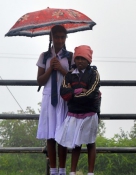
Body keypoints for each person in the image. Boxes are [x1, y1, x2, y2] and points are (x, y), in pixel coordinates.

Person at [55, 45, 101, 175]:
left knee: (90, 142)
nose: (80, 61)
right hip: (74, 113)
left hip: (89, 113)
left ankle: (90, 172)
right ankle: (72, 172)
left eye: (83, 58)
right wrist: (80, 90)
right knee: (76, 142)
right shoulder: (69, 74)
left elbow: (92, 94)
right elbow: (63, 93)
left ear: (89, 60)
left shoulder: (94, 74)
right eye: (78, 58)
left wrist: (73, 93)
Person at [36, 25, 72, 175]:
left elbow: (73, 78)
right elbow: (39, 81)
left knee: (62, 134)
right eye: (56, 37)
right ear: (51, 37)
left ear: (65, 39)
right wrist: (51, 68)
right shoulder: (44, 56)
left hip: (64, 97)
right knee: (50, 135)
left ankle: (62, 170)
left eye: (62, 37)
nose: (59, 40)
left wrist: (61, 69)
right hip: (49, 97)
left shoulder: (70, 56)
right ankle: (53, 170)